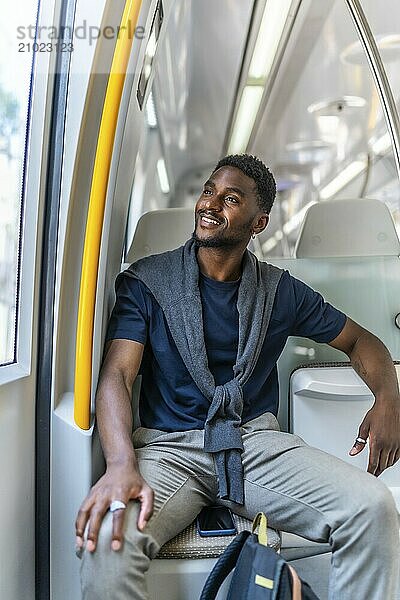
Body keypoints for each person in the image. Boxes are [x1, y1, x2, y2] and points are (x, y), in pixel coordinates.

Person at [76, 154, 400, 599]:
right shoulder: (147, 282)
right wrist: (119, 465)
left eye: (231, 199)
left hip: (253, 446)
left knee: (372, 506)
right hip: (171, 451)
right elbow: (116, 376)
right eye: (209, 191)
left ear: (258, 221)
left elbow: (363, 343)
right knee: (107, 543)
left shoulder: (280, 291)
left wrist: (388, 400)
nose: (211, 204)